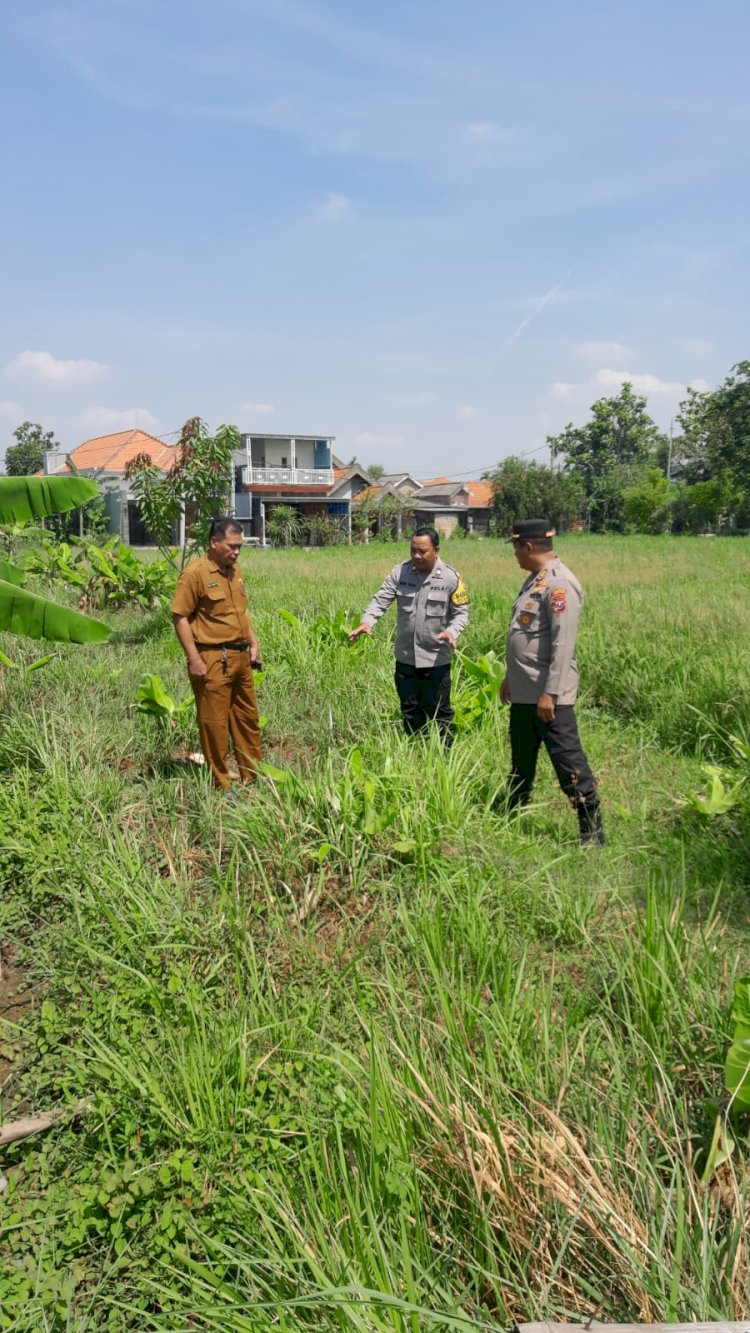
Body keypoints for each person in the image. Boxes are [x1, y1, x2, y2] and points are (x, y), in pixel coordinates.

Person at [499, 518, 604, 846]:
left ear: (528, 547)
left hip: (548, 697)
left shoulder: (560, 584)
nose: (514, 554)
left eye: (516, 547)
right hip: (524, 691)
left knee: (568, 763)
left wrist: (551, 693)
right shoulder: (535, 581)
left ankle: (592, 831)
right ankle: (514, 811)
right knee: (521, 760)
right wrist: (509, 678)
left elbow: (563, 644)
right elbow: (526, 636)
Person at [348, 526, 469, 745]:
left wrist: (452, 631)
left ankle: (445, 758)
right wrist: (367, 621)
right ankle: (416, 752)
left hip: (436, 659)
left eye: (422, 551)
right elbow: (380, 600)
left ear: (436, 550)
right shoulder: (400, 573)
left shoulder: (451, 578)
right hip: (406, 657)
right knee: (410, 710)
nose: (416, 556)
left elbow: (461, 614)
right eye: (413, 550)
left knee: (440, 713)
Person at [170, 517, 262, 791]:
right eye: (231, 546)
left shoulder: (235, 571)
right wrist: (194, 659)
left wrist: (254, 643)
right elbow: (179, 617)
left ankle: (252, 777)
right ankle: (222, 783)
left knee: (248, 720)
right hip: (212, 658)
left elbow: (241, 612)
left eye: (240, 547)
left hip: (241, 657)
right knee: (215, 724)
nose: (236, 552)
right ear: (214, 542)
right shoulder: (195, 574)